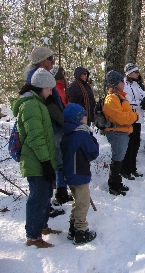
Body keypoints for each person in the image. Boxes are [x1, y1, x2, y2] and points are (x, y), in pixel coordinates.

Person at [10, 68, 60, 248]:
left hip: (42, 160)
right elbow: (35, 137)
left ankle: (42, 226)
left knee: (45, 195)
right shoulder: (31, 106)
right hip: (36, 161)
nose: (51, 92)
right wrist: (45, 162)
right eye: (49, 89)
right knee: (38, 197)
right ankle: (33, 236)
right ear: (41, 88)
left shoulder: (38, 103)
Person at [23, 46, 69, 216]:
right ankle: (46, 206)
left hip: (52, 125)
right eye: (50, 59)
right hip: (48, 127)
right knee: (50, 164)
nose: (53, 62)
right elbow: (49, 104)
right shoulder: (37, 79)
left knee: (54, 161)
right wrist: (62, 120)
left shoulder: (41, 75)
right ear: (41, 61)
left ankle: (49, 203)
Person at [60, 103, 99, 245]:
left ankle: (73, 226)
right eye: (83, 115)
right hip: (80, 172)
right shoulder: (82, 134)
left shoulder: (66, 133)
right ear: (77, 118)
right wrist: (93, 139)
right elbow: (93, 152)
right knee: (83, 202)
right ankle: (80, 231)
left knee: (78, 199)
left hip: (69, 173)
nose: (86, 117)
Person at [103, 70, 139, 195]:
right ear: (115, 83)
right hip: (117, 132)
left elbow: (124, 115)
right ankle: (113, 185)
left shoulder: (119, 96)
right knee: (117, 159)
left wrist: (131, 115)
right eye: (121, 81)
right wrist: (134, 116)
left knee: (119, 158)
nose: (124, 83)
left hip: (122, 132)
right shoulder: (112, 98)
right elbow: (121, 117)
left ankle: (116, 182)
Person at [120, 63, 145, 180]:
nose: (137, 74)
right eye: (135, 72)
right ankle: (125, 169)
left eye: (138, 72)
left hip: (138, 118)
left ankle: (132, 168)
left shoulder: (137, 85)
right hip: (129, 118)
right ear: (129, 73)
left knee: (136, 144)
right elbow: (127, 102)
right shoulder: (125, 85)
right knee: (130, 144)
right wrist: (140, 103)